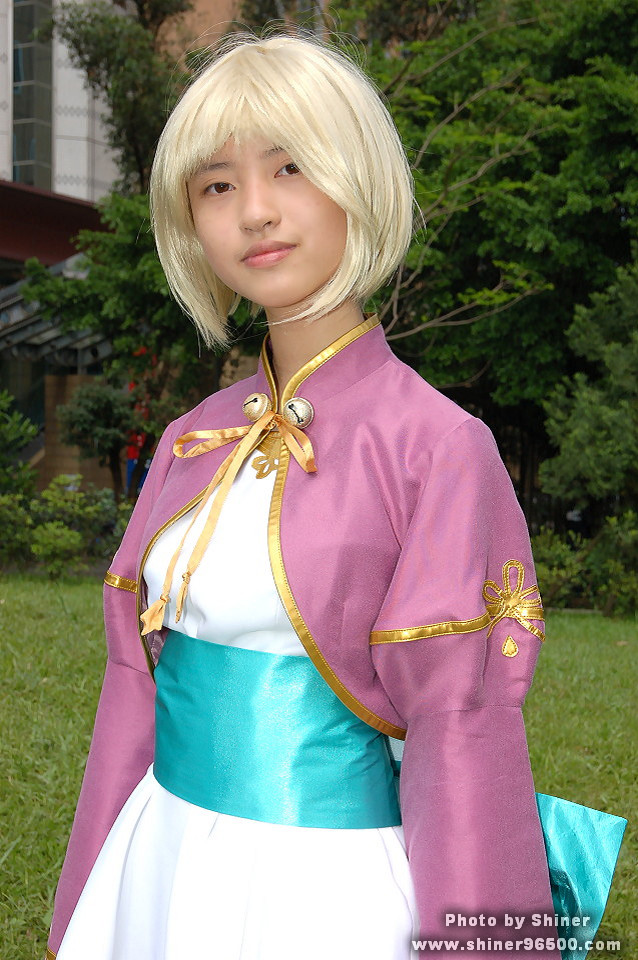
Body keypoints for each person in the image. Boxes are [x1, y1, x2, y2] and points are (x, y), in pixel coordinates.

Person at [46, 29, 563, 960]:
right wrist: (88, 891)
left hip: (323, 889)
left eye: (290, 167)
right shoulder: (192, 436)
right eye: (216, 185)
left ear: (356, 173)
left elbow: (462, 731)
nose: (254, 212)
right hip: (159, 857)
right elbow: (131, 686)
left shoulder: (439, 447)